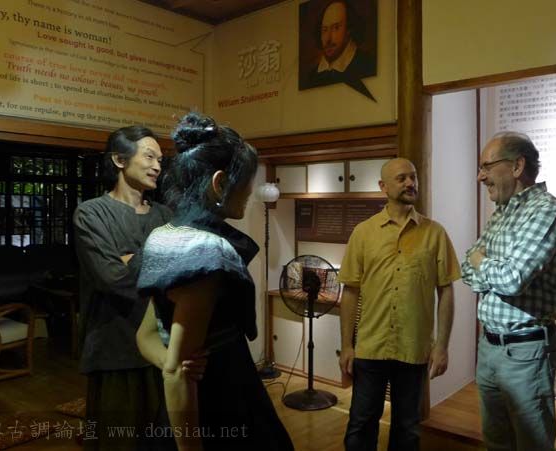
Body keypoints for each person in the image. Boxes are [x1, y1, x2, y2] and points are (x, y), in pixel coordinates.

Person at [135, 112, 293, 451]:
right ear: (219, 184)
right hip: (219, 397)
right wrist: (177, 366)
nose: (250, 193)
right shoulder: (204, 251)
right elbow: (177, 375)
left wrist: (173, 360)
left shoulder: (163, 235)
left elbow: (146, 335)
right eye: (247, 183)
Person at [338, 157, 461, 451]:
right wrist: (347, 345)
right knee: (361, 424)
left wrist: (442, 346)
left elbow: (446, 291)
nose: (410, 183)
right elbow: (351, 291)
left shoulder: (435, 233)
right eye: (402, 178)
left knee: (407, 428)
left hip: (414, 348)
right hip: (371, 347)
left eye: (413, 177)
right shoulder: (363, 232)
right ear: (383, 186)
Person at [462, 132, 556, 451]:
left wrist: (483, 261)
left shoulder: (546, 210)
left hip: (526, 352)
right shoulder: (502, 212)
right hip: (490, 346)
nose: (480, 176)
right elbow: (466, 269)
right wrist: (487, 266)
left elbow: (511, 278)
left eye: (486, 166)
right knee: (496, 441)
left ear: (517, 166)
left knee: (532, 444)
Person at [74, 125, 179, 450]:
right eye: (149, 157)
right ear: (119, 160)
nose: (157, 166)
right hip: (114, 345)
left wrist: (130, 258)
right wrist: (160, 256)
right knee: (117, 439)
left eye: (160, 159)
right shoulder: (91, 213)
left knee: (164, 439)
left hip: (163, 344)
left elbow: (180, 274)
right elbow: (111, 278)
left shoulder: (165, 214)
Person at [303, 0, 375, 89]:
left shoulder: (368, 65)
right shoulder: (312, 77)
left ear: (349, 29)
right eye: (324, 30)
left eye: (336, 28)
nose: (328, 39)